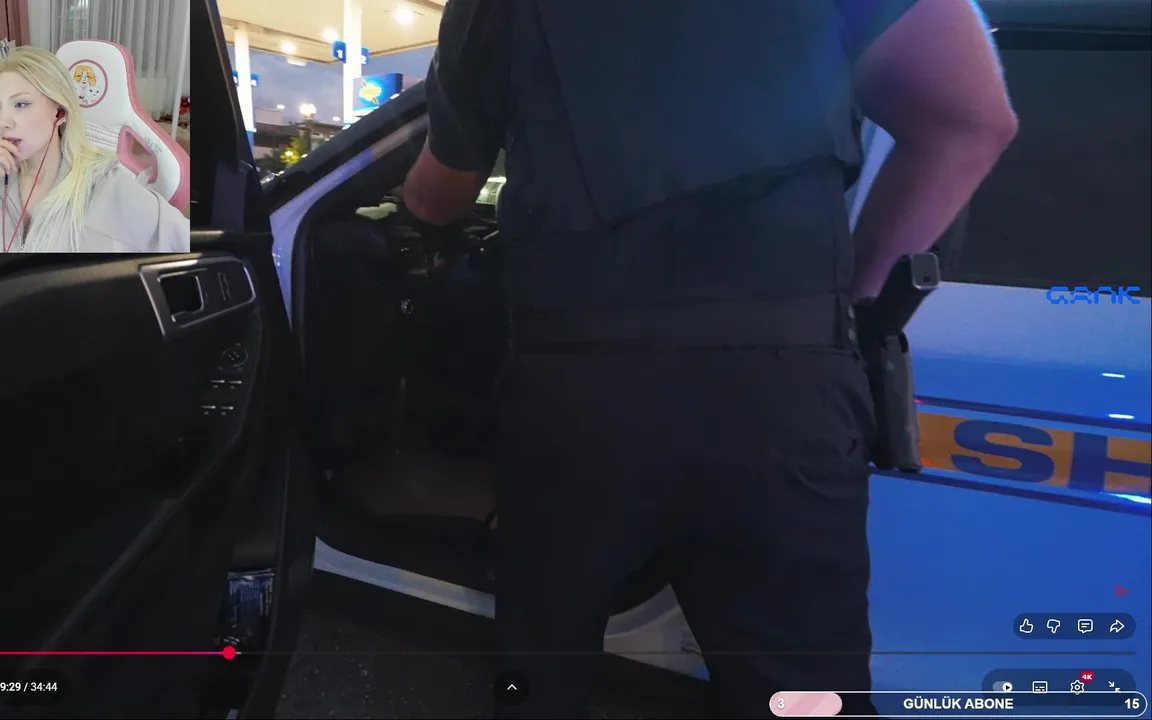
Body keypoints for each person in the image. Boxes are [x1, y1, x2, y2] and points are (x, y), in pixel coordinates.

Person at [402, 0, 1017, 717]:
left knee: (541, 674)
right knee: (803, 696)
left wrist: (414, 203)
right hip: (782, 389)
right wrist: (847, 303)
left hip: (576, 395)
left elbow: (438, 196)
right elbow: (973, 123)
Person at [0, 47, 188, 253]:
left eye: (21, 104)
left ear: (60, 111)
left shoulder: (106, 184)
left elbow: (186, 243)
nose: (3, 121)